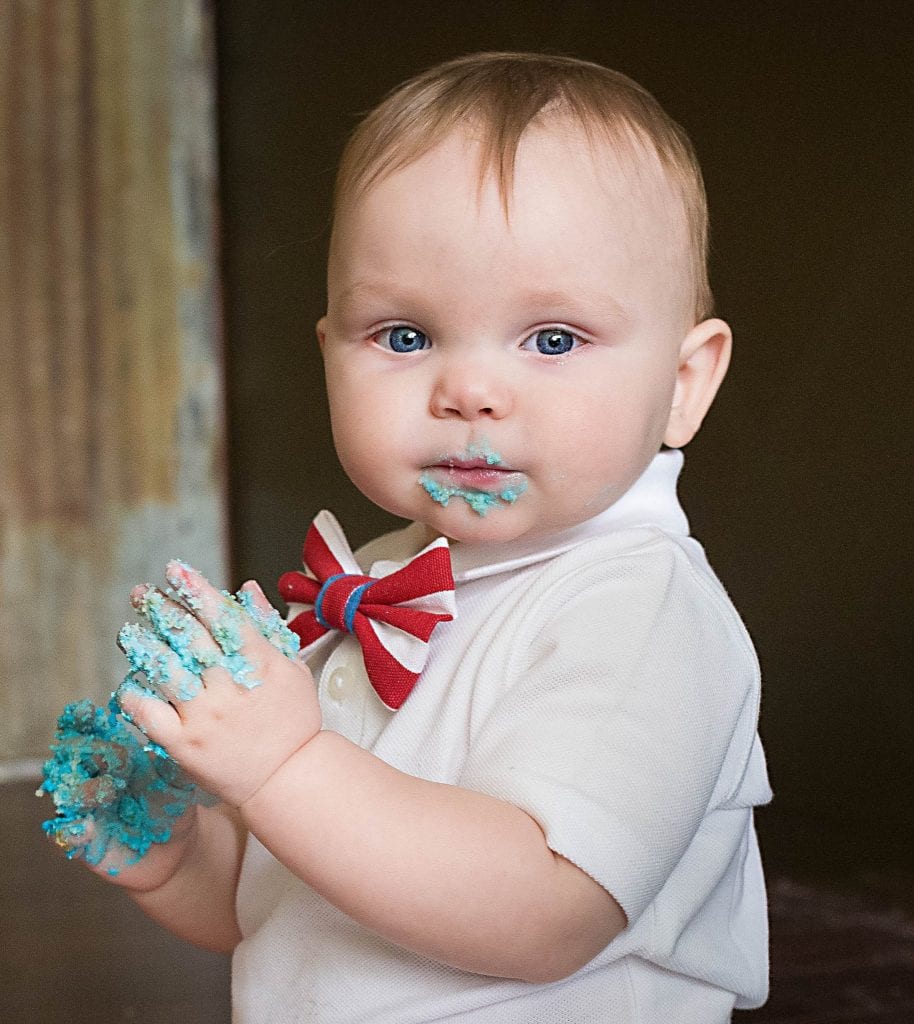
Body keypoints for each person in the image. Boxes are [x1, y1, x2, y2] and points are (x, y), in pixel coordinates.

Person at [46, 52, 772, 1023]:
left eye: (552, 339)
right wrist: (174, 849)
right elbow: (300, 902)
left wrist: (285, 765)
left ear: (683, 381)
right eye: (403, 335)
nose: (468, 390)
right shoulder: (380, 581)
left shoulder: (638, 610)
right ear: (330, 354)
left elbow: (542, 910)